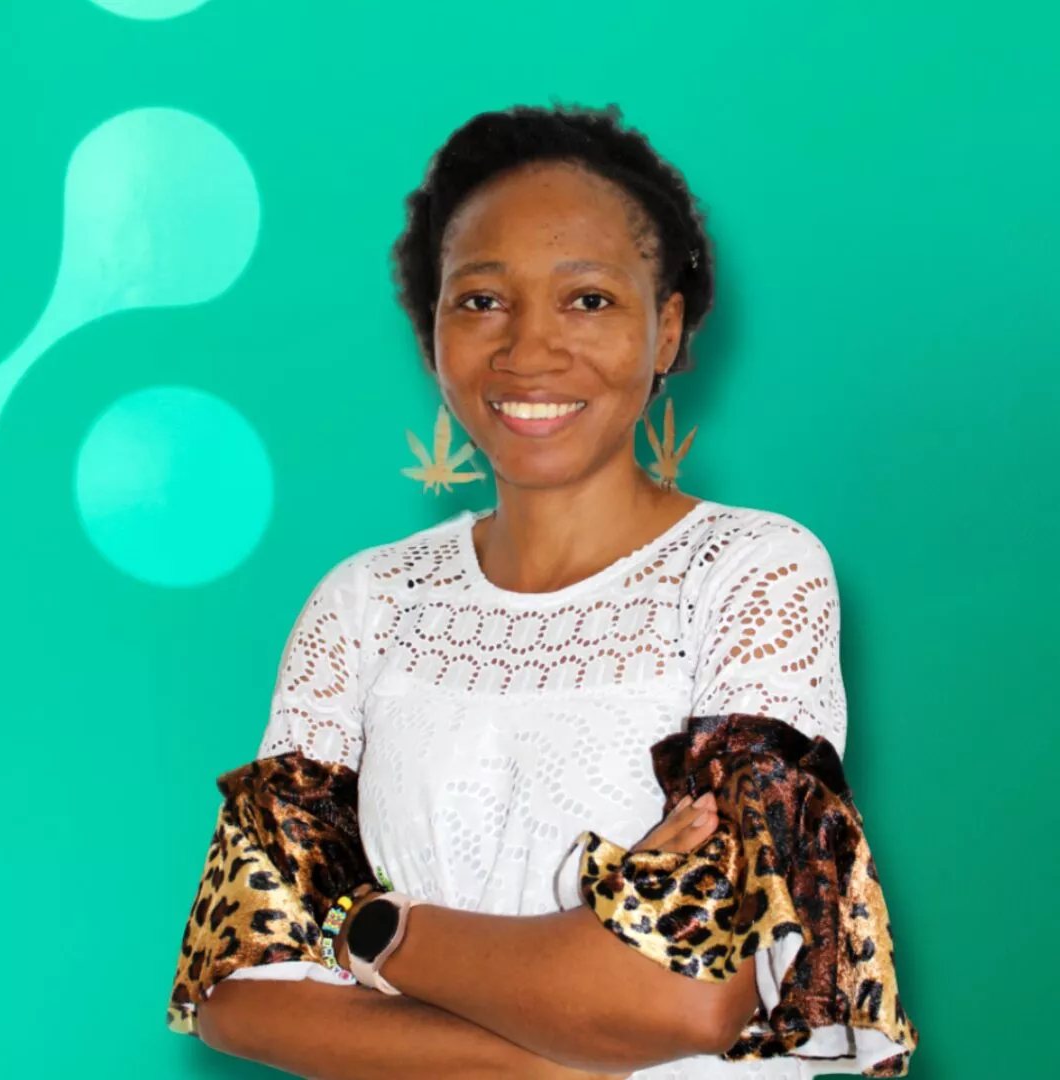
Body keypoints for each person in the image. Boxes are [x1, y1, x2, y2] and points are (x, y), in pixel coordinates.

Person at [194, 104, 848, 1079]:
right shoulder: (366, 603)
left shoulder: (754, 573)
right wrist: (571, 1031)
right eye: (481, 300)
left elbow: (693, 995)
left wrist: (363, 926)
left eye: (588, 299)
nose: (529, 349)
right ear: (431, 334)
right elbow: (239, 989)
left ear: (667, 328)